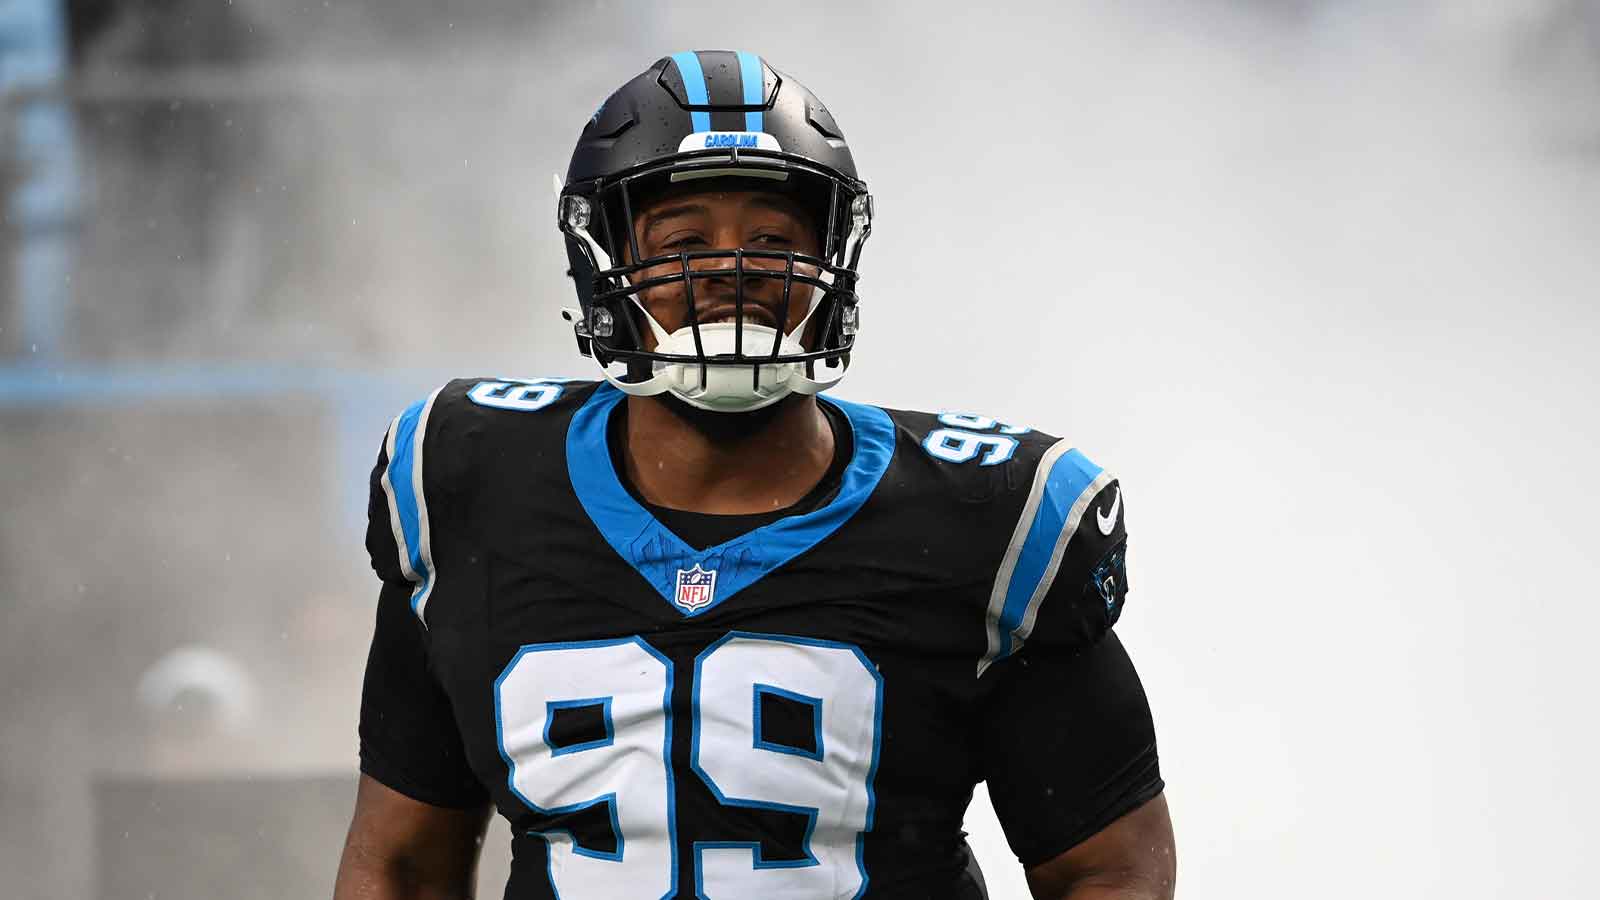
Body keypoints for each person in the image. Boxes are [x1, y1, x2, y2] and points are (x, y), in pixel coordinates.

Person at [333, 50, 1175, 900]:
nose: (729, 274)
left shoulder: (991, 522)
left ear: (832, 259)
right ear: (601, 265)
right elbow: (401, 863)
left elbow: (1108, 869)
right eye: (683, 241)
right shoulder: (464, 482)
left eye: (772, 240)